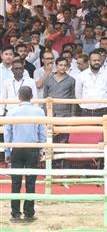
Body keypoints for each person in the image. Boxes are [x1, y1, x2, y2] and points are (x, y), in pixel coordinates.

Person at [3, 86, 45, 222]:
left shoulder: (12, 112)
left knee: (15, 182)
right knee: (31, 182)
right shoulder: (39, 112)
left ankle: (15, 213)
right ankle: (29, 213)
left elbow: (7, 133)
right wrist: (41, 150)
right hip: (32, 148)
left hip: (16, 148)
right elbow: (42, 133)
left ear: (19, 97)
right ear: (32, 96)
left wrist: (7, 151)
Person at [43, 57, 76, 141]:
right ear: (56, 66)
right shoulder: (48, 79)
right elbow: (45, 97)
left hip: (65, 114)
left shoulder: (71, 80)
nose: (63, 67)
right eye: (60, 65)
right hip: (51, 113)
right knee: (51, 139)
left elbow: (73, 99)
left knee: (63, 140)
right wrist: (45, 113)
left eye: (65, 65)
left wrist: (72, 116)